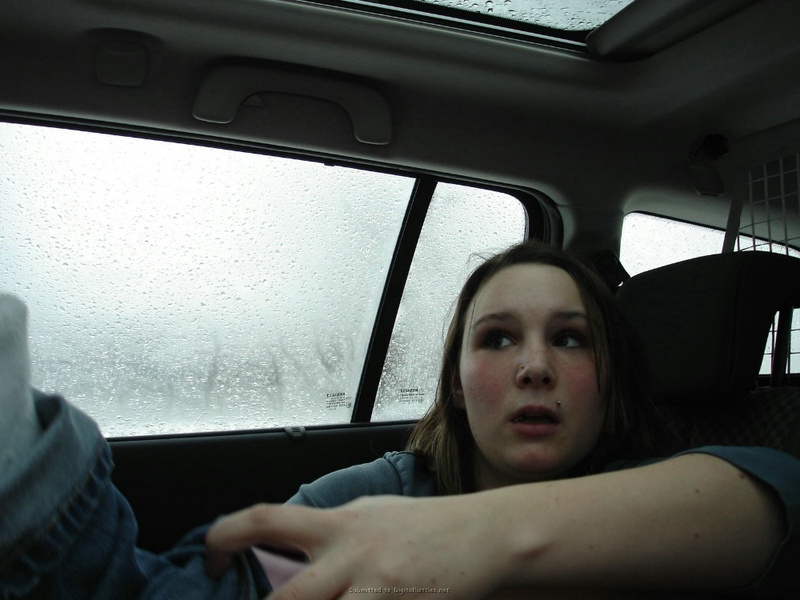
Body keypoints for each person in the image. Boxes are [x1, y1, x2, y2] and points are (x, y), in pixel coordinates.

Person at [1, 241, 799, 600]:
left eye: (569, 339)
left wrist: (479, 541)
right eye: (497, 338)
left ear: (608, 379)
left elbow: (775, 496)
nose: (534, 366)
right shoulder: (371, 500)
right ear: (456, 385)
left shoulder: (660, 501)